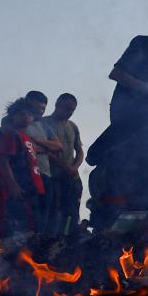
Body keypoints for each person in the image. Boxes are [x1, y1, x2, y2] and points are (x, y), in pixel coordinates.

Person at [0, 99, 46, 236]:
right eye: (21, 114)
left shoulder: (27, 138)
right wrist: (13, 185)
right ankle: (16, 253)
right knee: (19, 227)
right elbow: (4, 161)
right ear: (13, 117)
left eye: (29, 114)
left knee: (33, 226)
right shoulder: (12, 136)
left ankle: (29, 253)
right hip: (20, 188)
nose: (26, 117)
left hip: (33, 188)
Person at [43, 93, 85, 236]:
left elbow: (79, 151)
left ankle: (70, 239)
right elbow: (43, 151)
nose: (69, 112)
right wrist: (64, 166)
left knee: (72, 213)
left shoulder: (73, 127)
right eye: (67, 108)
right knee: (54, 213)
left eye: (72, 109)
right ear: (57, 105)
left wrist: (75, 167)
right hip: (53, 177)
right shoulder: (44, 124)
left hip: (72, 178)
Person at [22, 91, 62, 234]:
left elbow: (58, 146)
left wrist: (39, 142)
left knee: (48, 214)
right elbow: (22, 145)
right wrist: (44, 147)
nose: (40, 111)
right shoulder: (17, 121)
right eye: (37, 107)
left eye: (43, 108)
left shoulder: (43, 126)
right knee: (30, 216)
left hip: (45, 175)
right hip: (25, 175)